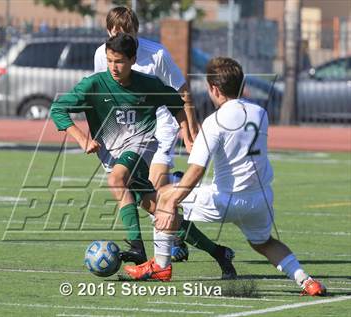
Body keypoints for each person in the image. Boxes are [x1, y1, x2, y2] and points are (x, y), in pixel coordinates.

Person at [124, 57, 327, 297]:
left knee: (162, 198)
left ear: (215, 89)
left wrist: (171, 201)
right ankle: (306, 281)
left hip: (225, 200)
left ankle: (161, 266)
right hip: (259, 199)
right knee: (264, 243)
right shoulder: (260, 113)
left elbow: (196, 172)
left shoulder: (214, 122)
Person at [50, 35, 237, 279]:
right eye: (109, 61)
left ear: (133, 60)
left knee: (116, 180)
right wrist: (81, 138)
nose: (113, 67)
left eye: (119, 61)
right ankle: (219, 252)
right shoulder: (94, 85)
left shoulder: (147, 83)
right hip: (113, 153)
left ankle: (137, 248)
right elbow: (58, 109)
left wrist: (187, 135)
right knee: (162, 212)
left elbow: (177, 104)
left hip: (141, 144)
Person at [94, 6, 199, 262]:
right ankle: (179, 237)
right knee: (144, 195)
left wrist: (189, 130)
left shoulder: (157, 54)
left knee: (153, 184)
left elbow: (181, 90)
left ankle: (164, 253)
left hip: (161, 123)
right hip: (128, 129)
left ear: (136, 32)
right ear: (108, 32)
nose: (121, 40)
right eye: (115, 33)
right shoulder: (102, 53)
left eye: (126, 33)